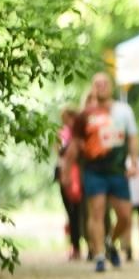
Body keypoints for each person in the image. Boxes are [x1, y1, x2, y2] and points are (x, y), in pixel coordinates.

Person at [74, 72, 139, 273]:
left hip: (118, 170)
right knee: (97, 212)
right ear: (93, 87)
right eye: (97, 83)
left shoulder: (124, 110)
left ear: (111, 86)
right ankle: (100, 256)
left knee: (125, 217)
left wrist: (134, 162)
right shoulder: (86, 114)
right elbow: (77, 142)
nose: (101, 86)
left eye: (105, 83)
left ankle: (110, 241)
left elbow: (132, 137)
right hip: (94, 170)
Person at [55, 107, 85, 261]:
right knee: (71, 214)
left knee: (82, 212)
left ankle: (88, 246)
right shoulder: (61, 134)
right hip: (65, 178)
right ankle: (75, 246)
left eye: (70, 118)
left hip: (80, 177)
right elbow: (59, 153)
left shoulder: (81, 135)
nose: (68, 122)